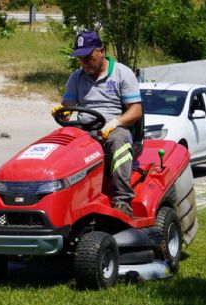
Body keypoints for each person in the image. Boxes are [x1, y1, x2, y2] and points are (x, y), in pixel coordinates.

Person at [53, 31, 142, 216]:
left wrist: (115, 122)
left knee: (118, 141)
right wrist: (62, 113)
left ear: (101, 51)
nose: (84, 63)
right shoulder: (76, 77)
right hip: (85, 129)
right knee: (59, 145)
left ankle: (123, 200)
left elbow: (136, 110)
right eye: (80, 59)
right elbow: (68, 109)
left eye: (88, 58)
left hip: (115, 129)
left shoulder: (121, 73)